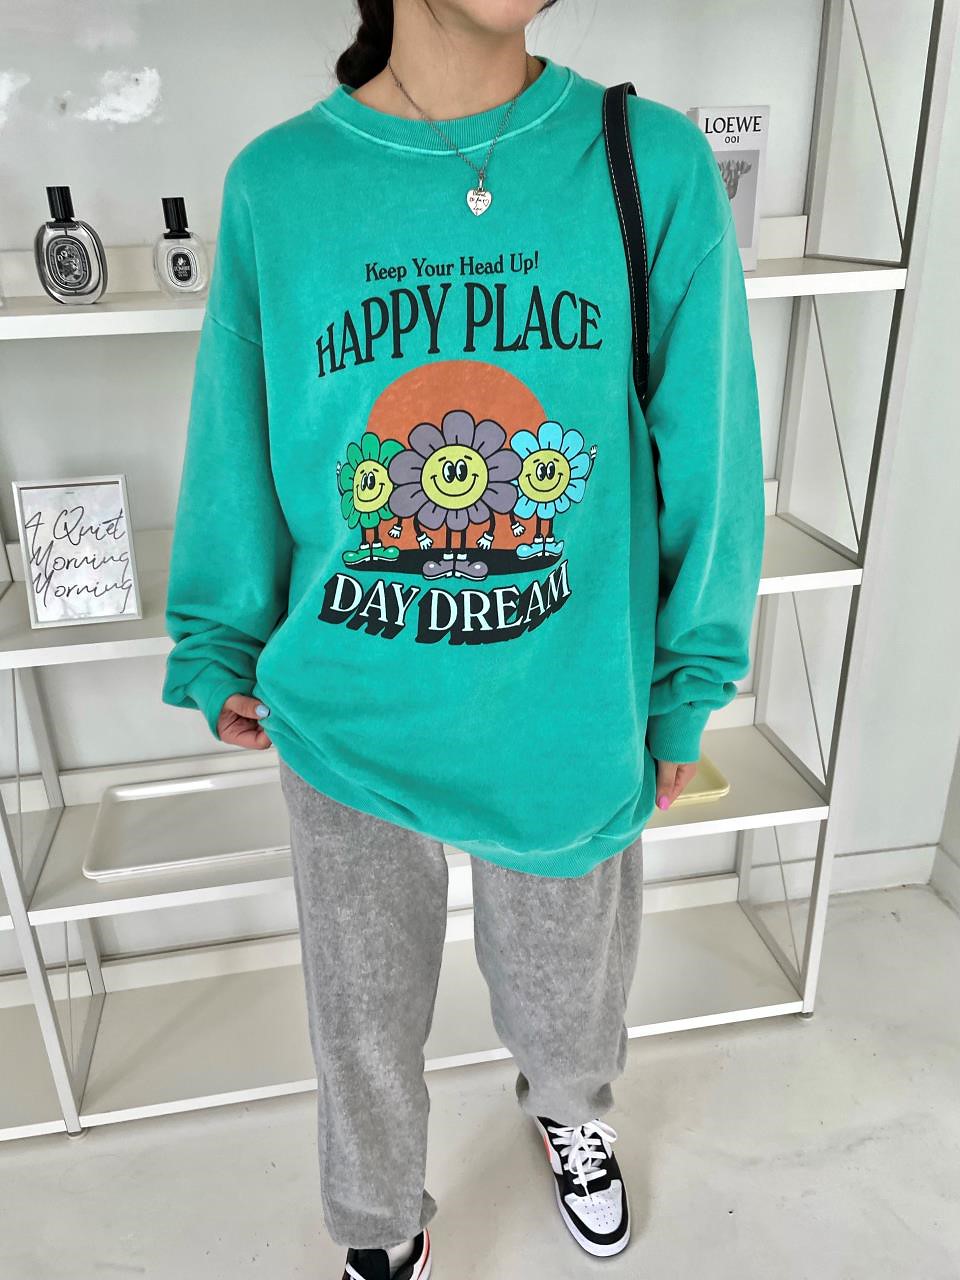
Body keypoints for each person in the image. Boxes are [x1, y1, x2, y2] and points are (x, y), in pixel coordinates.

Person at [162, 1, 765, 1275]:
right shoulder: (280, 185)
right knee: (361, 1007)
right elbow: (237, 431)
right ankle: (379, 1217)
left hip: (566, 691)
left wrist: (685, 683)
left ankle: (569, 1110)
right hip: (347, 691)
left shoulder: (646, 161)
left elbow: (710, 451)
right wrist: (219, 638)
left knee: (566, 990)